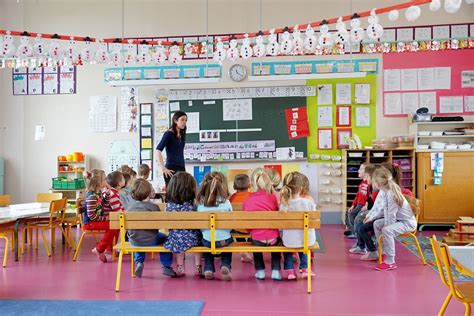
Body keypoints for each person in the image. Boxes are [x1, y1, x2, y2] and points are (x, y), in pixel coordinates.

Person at [366, 168, 417, 271]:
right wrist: (372, 217)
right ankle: (384, 252)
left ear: (378, 183)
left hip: (407, 223)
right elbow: (385, 210)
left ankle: (390, 261)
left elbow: (391, 215)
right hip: (399, 220)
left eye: (373, 180)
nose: (371, 182)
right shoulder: (385, 191)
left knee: (387, 230)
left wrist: (387, 225)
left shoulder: (391, 194)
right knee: (376, 224)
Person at [126, 179, 176, 278]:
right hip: (152, 239)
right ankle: (166, 266)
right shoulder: (153, 207)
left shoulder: (129, 208)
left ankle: (139, 262)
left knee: (138, 237)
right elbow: (160, 225)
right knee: (166, 239)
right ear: (149, 192)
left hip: (134, 240)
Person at [242, 168, 281, 281]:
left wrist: (252, 231)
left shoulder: (247, 201)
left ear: (252, 184)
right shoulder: (273, 197)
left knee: (254, 241)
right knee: (277, 244)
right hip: (273, 239)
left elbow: (247, 224)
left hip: (257, 240)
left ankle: (260, 271)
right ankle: (275, 270)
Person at [163, 172, 202, 277]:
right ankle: (198, 267)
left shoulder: (169, 206)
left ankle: (180, 267)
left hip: (175, 240)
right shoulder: (194, 205)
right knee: (199, 239)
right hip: (194, 239)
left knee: (176, 237)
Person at [279, 172, 317, 280]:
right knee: (304, 240)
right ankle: (305, 268)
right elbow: (314, 219)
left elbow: (280, 225)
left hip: (289, 241)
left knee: (287, 244)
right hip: (307, 240)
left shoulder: (284, 204)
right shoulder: (308, 202)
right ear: (301, 188)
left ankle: (290, 270)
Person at [196, 171, 233, 281]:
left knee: (207, 244)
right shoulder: (226, 203)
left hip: (207, 240)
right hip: (224, 241)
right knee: (228, 245)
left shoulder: (200, 204)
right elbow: (232, 222)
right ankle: (225, 265)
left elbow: (199, 225)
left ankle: (208, 268)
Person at [86, 170, 124, 263]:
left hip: (96, 220)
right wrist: (105, 218)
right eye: (105, 180)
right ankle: (99, 249)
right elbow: (91, 216)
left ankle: (109, 249)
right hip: (90, 223)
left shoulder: (98, 193)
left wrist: (106, 195)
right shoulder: (92, 196)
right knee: (113, 227)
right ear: (99, 183)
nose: (107, 181)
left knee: (115, 226)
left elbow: (104, 204)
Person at [156, 111, 187, 186]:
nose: (184, 122)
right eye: (182, 120)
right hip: (171, 168)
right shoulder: (169, 134)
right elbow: (158, 150)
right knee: (172, 195)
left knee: (182, 193)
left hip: (181, 168)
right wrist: (163, 168)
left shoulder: (182, 134)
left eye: (186, 120)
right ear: (175, 120)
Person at [229, 173, 253, 263]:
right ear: (249, 184)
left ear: (234, 185)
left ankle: (242, 249)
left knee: (236, 224)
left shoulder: (232, 198)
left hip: (237, 228)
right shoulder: (253, 196)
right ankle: (248, 248)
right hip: (251, 228)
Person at [344, 163, 370, 238]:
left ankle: (356, 233)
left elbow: (369, 196)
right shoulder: (362, 183)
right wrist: (353, 205)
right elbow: (357, 195)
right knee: (348, 212)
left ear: (366, 172)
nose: (358, 171)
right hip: (358, 204)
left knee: (351, 214)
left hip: (363, 205)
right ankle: (353, 231)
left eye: (361, 169)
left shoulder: (369, 184)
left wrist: (366, 205)